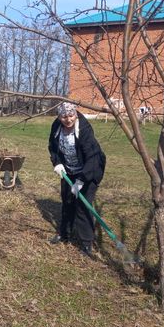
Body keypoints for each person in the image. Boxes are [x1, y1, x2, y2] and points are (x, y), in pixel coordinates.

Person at [48, 102, 106, 255]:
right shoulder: (56, 126)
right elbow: (52, 146)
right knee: (67, 201)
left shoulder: (84, 129)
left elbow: (93, 158)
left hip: (90, 170)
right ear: (59, 117)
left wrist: (81, 180)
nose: (68, 120)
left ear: (75, 113)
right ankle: (64, 233)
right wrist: (57, 163)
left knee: (82, 204)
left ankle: (86, 242)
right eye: (64, 117)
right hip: (68, 170)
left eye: (71, 115)